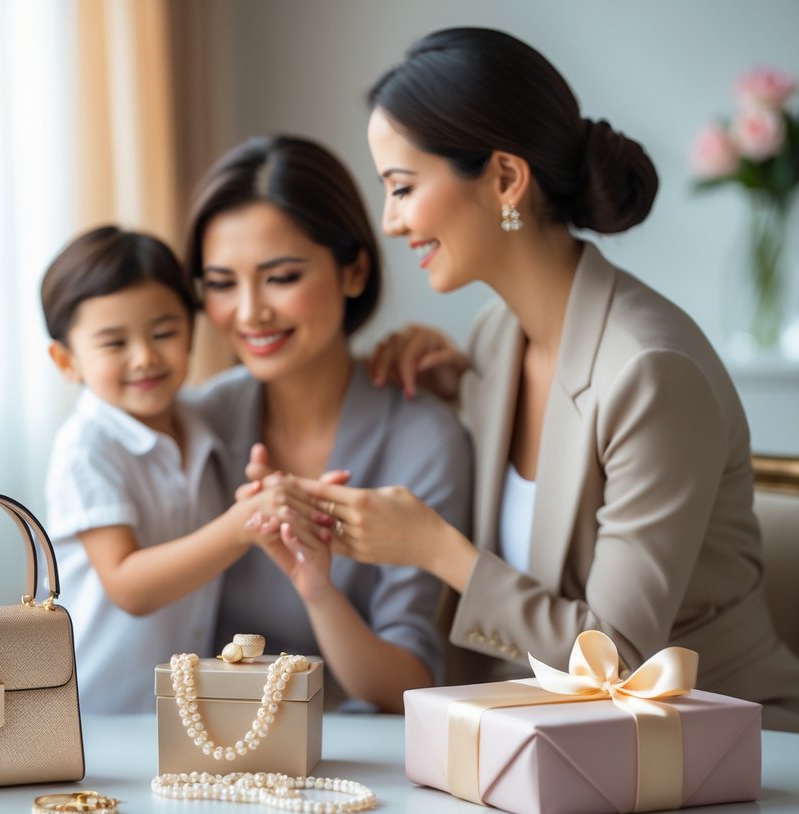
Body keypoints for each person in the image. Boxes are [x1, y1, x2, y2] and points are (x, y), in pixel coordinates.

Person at [287, 27, 799, 729]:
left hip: (718, 743)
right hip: (560, 740)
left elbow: (616, 659)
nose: (390, 221)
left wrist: (435, 549)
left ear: (504, 178)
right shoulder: (494, 340)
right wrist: (450, 387)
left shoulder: (650, 373)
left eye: (402, 188)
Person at [184, 135, 472, 712]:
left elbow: (408, 685)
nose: (248, 312)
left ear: (354, 271)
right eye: (220, 283)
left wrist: (316, 588)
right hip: (206, 744)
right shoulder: (198, 422)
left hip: (364, 763)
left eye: (281, 276)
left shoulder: (424, 439)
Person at [41, 225, 303, 714]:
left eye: (164, 332)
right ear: (66, 360)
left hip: (178, 708)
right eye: (114, 343)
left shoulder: (200, 424)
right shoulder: (87, 443)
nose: (145, 357)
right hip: (93, 709)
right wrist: (240, 525)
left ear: (191, 330)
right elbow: (128, 586)